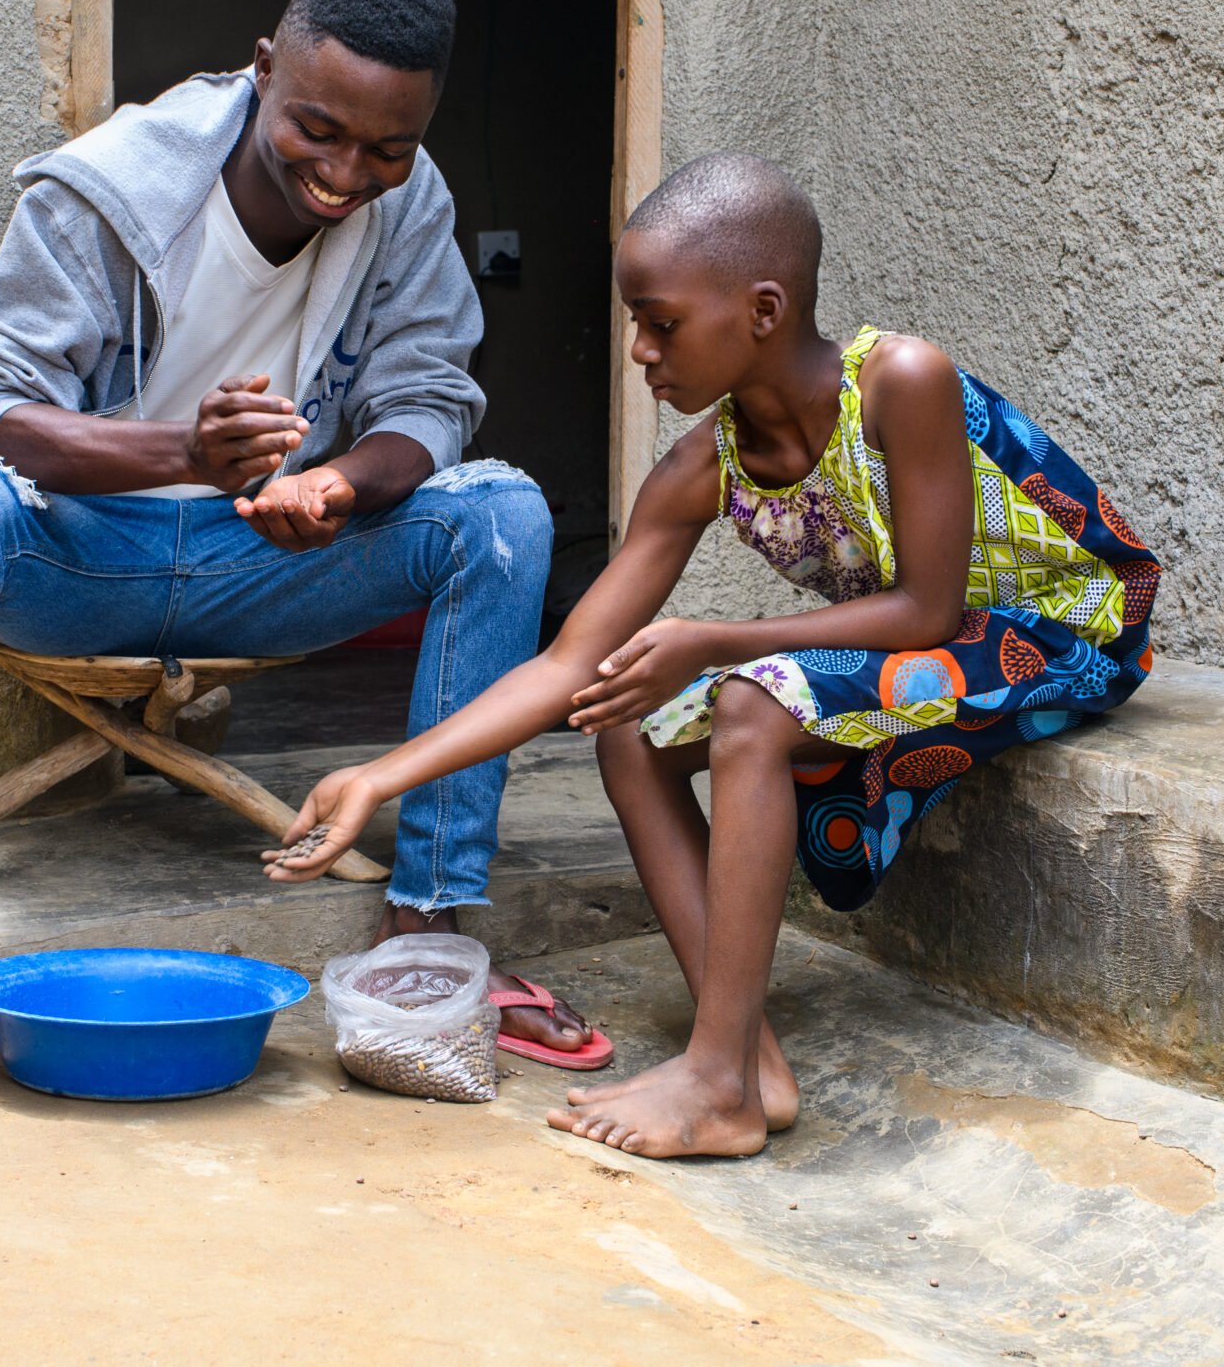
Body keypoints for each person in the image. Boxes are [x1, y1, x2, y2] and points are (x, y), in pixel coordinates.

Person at [0, 0, 602, 1098]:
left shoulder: (410, 205)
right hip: (86, 555)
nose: (346, 174)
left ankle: (427, 937)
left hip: (270, 558)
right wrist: (179, 452)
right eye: (317, 130)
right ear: (260, 71)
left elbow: (428, 394)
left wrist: (341, 487)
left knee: (499, 512)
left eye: (386, 148)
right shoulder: (111, 187)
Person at [266, 153, 1161, 1157]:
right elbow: (569, 667)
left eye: (661, 321)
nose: (640, 350)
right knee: (628, 730)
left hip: (1065, 629)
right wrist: (378, 778)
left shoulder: (902, 381)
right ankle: (745, 1061)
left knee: (748, 701)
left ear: (764, 309)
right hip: (929, 645)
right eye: (635, 323)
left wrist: (716, 640)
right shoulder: (706, 463)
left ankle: (714, 1079)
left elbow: (927, 608)